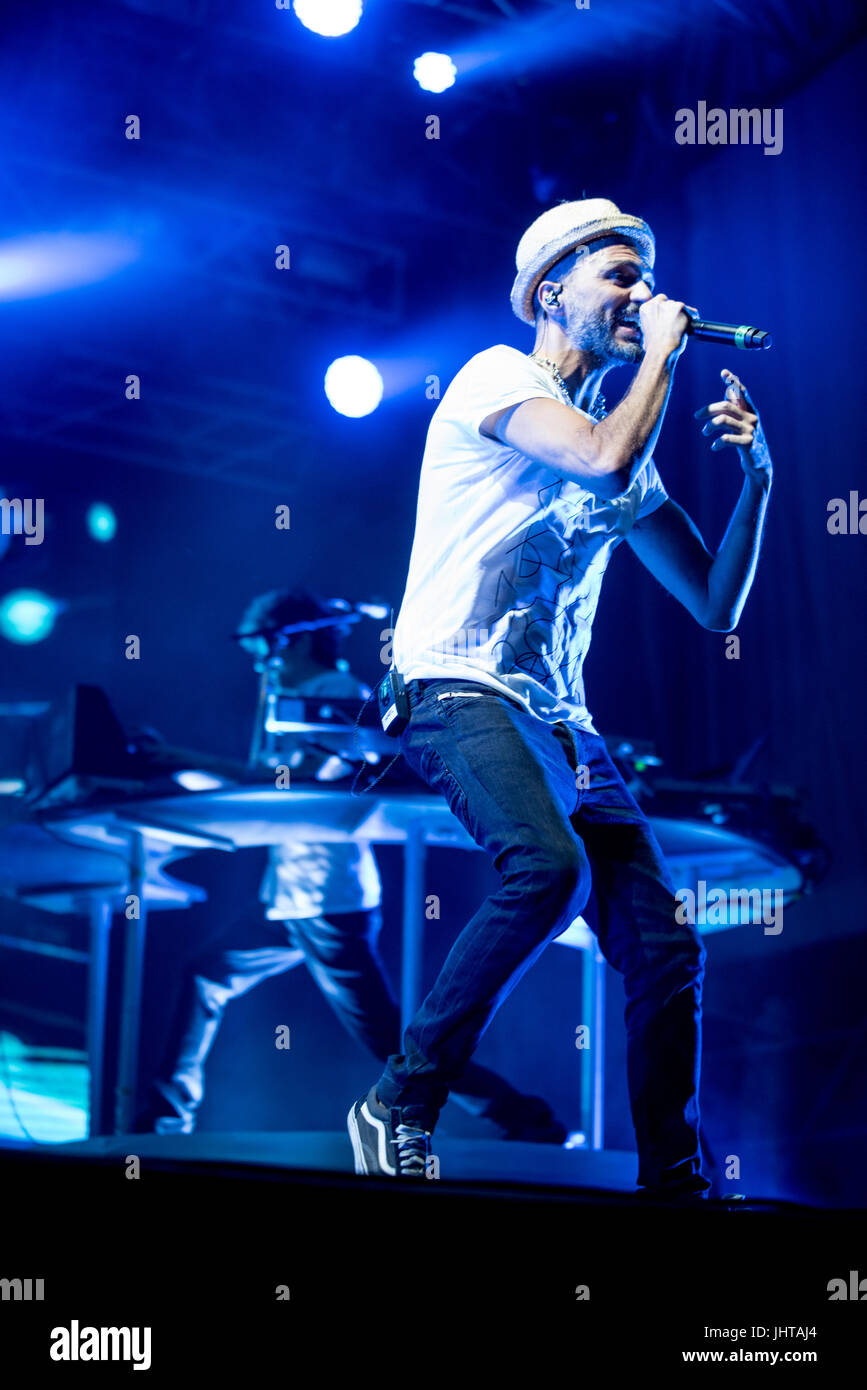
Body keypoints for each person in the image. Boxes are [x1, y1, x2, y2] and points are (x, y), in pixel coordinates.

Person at [348, 198, 773, 1193]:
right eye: (620, 276)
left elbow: (715, 603)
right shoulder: (499, 377)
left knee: (667, 946)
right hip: (457, 683)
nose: (645, 295)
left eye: (648, 279)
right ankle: (397, 1104)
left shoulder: (614, 433)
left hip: (558, 718)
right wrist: (666, 357)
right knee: (547, 869)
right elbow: (601, 457)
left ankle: (677, 1181)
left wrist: (756, 477)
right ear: (551, 290)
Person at [134, 588, 567, 1143]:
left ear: (296, 638)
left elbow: (298, 786)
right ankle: (165, 1120)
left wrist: (183, 761)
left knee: (388, 1040)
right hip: (287, 897)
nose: (259, 657)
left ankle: (525, 1119)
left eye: (265, 642)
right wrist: (174, 768)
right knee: (205, 972)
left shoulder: (336, 694)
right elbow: (259, 784)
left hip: (327, 899)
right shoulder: (290, 696)